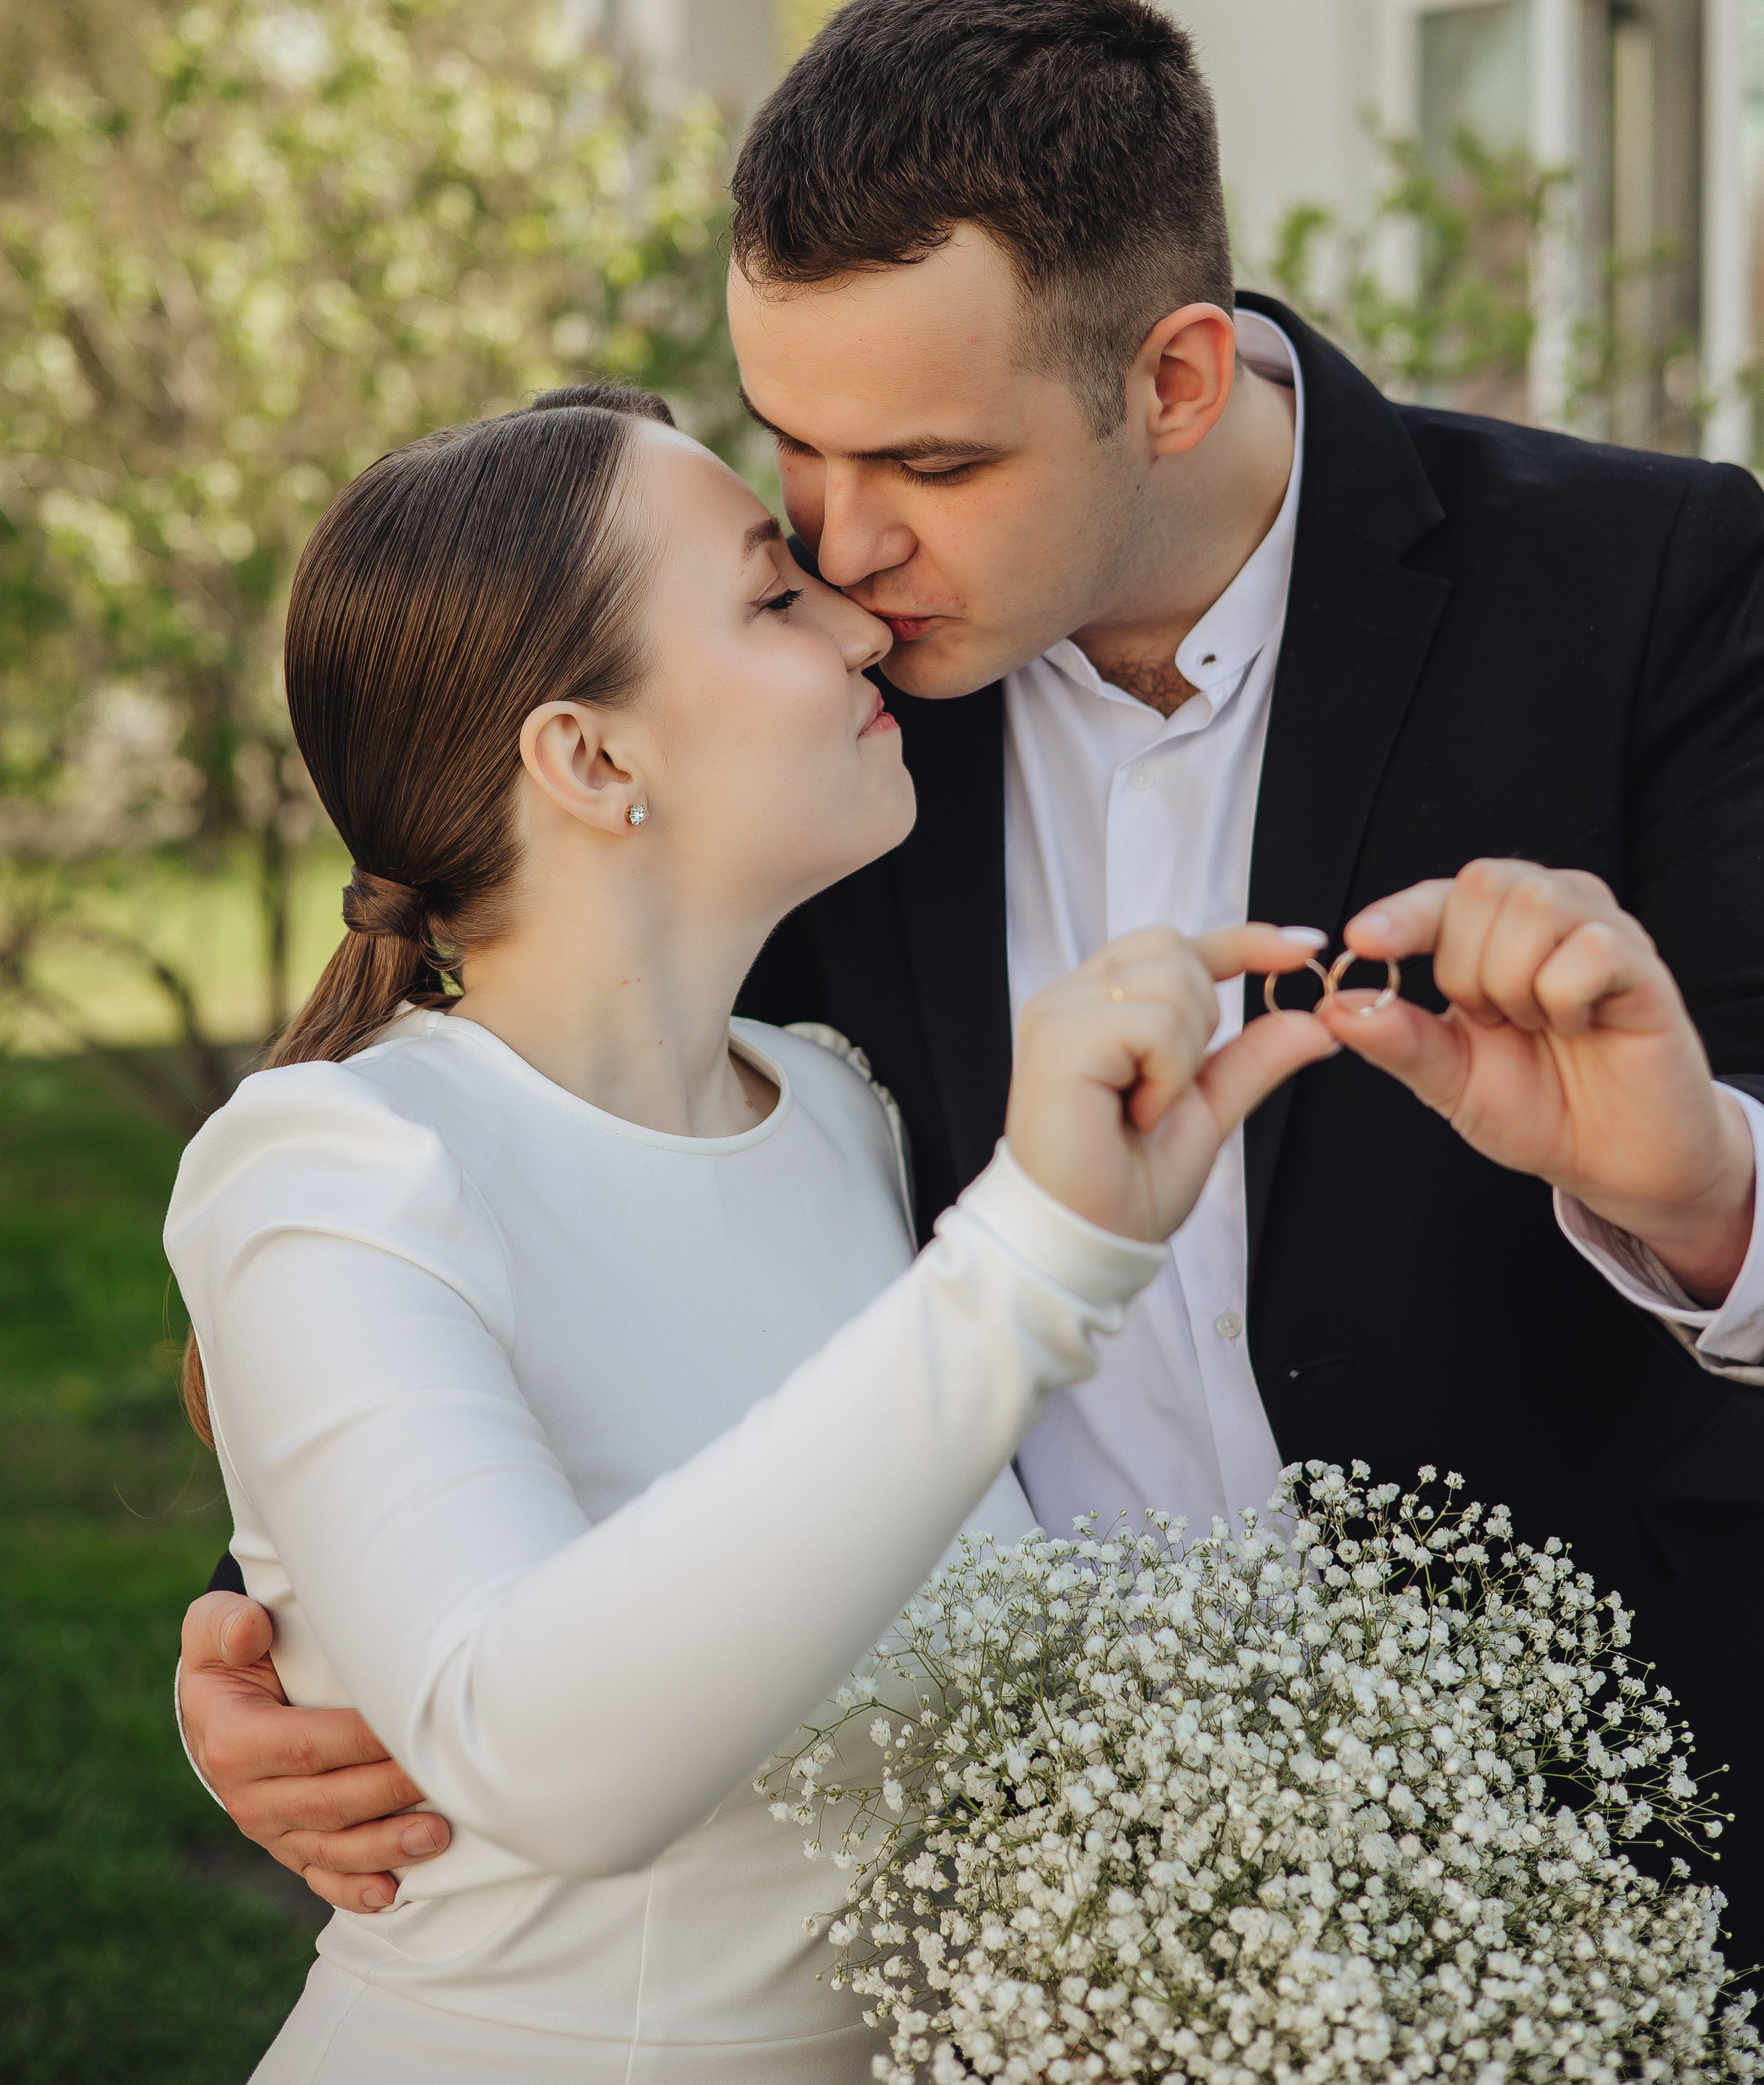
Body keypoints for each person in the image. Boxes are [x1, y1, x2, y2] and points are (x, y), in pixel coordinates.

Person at [178, 0, 1764, 1953]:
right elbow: (555, 1184)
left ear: (1171, 382)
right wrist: (307, 1622)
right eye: (793, 447)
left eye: (930, 465)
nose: (839, 550)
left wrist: (1704, 1195)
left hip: (1598, 1868)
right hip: (994, 1933)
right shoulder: (794, 725)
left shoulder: (1647, 588)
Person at [164, 377, 1344, 2080]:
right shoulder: (337, 1169)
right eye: (776, 595)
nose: (862, 620)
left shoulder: (839, 1117)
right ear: (588, 754)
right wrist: (1032, 1258)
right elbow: (535, 1750)